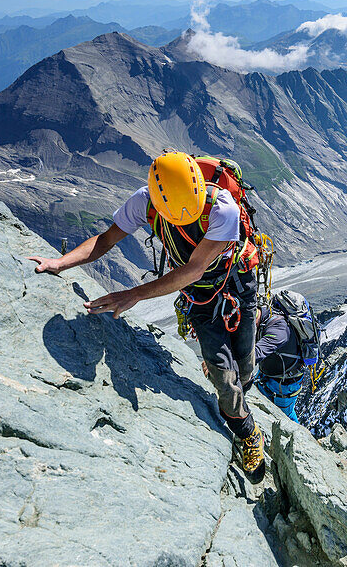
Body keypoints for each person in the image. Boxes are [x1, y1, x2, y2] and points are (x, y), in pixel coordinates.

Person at [28, 151, 266, 475]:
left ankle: (240, 387)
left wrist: (133, 295)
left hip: (237, 284)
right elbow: (106, 240)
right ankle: (247, 429)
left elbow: (194, 269)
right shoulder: (145, 202)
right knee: (225, 374)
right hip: (201, 299)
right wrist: (61, 262)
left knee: (245, 360)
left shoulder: (222, 206)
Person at [254, 295, 309, 422]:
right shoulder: (265, 315)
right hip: (270, 372)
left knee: (286, 417)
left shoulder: (279, 329)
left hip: (285, 384)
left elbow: (255, 354)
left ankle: (299, 438)